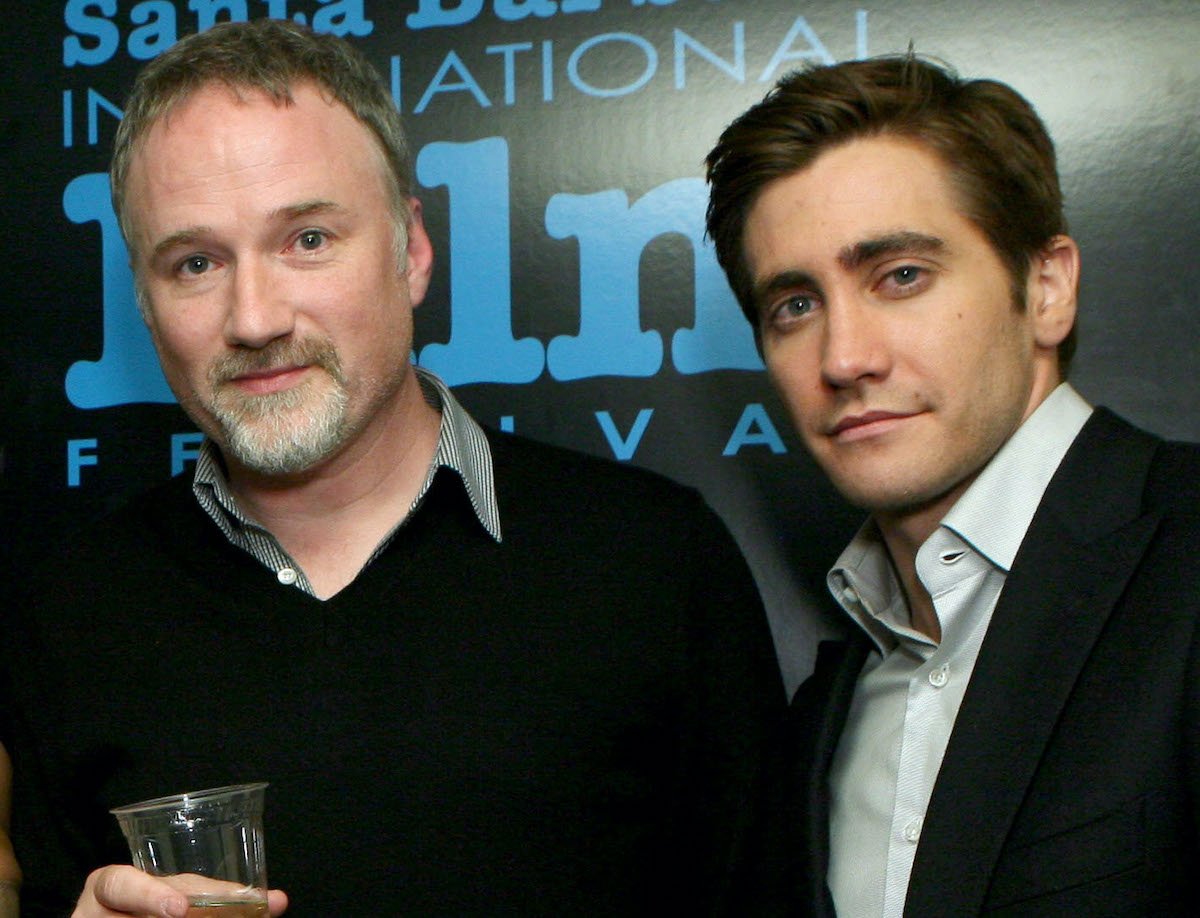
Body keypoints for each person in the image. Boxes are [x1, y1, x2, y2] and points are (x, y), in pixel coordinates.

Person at [5, 19, 786, 917]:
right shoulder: (68, 617)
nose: (254, 317)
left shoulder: (651, 562)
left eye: (307, 240)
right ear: (145, 304)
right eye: (195, 262)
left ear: (411, 251)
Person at [705, 55, 1200, 915]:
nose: (844, 357)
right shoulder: (829, 712)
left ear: (1046, 288)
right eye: (794, 304)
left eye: (900, 276)